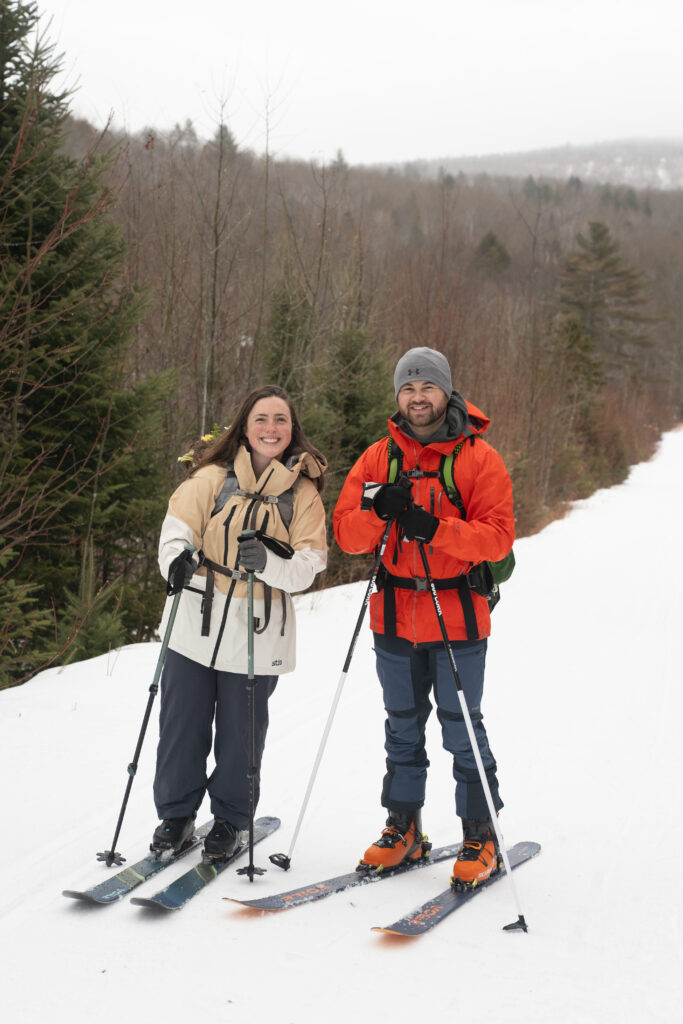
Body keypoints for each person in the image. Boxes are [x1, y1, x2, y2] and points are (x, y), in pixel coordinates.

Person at [333, 347, 515, 888]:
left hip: (457, 615)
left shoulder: (479, 458)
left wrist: (434, 528)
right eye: (408, 388)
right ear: (398, 396)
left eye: (427, 387)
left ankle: (480, 833)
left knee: (461, 728)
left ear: (446, 392)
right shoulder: (378, 458)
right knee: (402, 727)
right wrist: (378, 512)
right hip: (393, 615)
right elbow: (346, 533)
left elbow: (498, 537)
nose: (417, 398)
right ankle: (404, 828)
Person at [151, 385, 327, 860]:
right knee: (181, 724)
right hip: (195, 619)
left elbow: (309, 565)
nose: (271, 428)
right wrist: (177, 562)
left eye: (280, 420)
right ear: (245, 428)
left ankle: (229, 820)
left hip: (257, 627)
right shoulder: (211, 477)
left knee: (241, 734)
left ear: (292, 430)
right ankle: (176, 816)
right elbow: (176, 531)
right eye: (261, 419)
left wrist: (268, 563)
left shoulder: (303, 494)